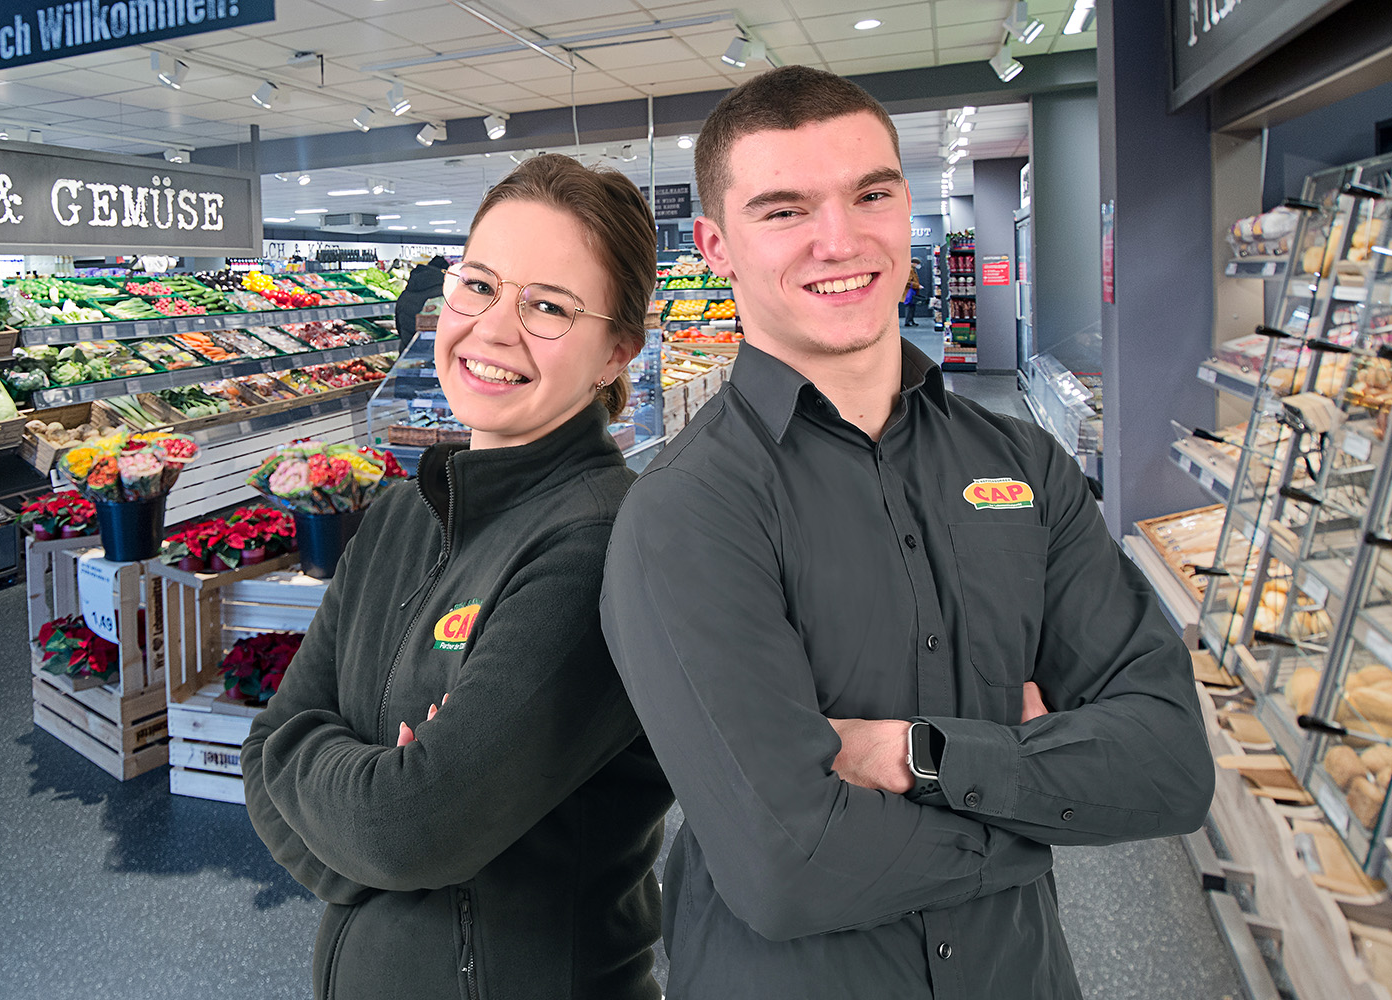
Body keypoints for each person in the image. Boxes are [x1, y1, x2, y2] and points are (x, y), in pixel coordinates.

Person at [600, 65, 1214, 999]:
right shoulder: (686, 511)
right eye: (785, 210)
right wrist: (1032, 799)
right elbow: (788, 867)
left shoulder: (1023, 465)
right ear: (717, 245)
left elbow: (1167, 765)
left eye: (871, 194)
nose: (840, 240)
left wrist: (912, 755)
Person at [243, 154, 674, 1000]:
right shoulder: (401, 514)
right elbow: (266, 750)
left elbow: (407, 830)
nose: (494, 329)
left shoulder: (599, 548)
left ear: (616, 352)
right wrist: (372, 836)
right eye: (478, 285)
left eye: (548, 306)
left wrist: (373, 828)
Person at [394, 253, 449, 356]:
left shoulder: (406, 293)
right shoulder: (443, 295)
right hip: (432, 355)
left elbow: (398, 325)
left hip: (407, 353)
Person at [902, 259, 920, 326]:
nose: (917, 265)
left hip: (913, 290)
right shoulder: (910, 270)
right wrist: (917, 285)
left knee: (912, 306)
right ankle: (907, 321)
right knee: (909, 306)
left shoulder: (913, 270)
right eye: (917, 264)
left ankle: (911, 321)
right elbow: (908, 282)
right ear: (914, 263)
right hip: (909, 291)